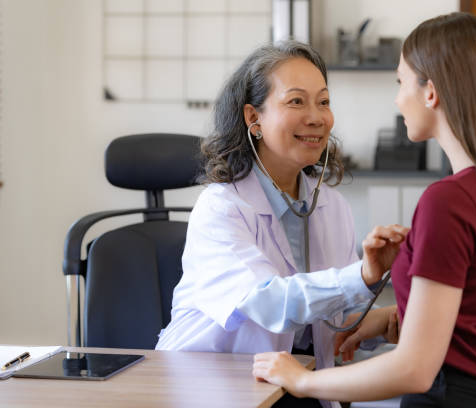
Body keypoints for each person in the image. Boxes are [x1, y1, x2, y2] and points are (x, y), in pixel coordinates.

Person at [252, 12, 476, 408]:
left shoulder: (449, 202)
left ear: (432, 92)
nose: (397, 99)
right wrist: (393, 315)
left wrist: (302, 380)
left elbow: (414, 369)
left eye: (401, 82)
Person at [155, 41, 408, 408]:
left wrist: (382, 320)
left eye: (323, 101)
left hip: (294, 385)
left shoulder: (332, 207)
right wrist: (363, 275)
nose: (317, 117)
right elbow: (270, 303)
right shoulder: (221, 207)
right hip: (211, 389)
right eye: (296, 101)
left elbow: (327, 320)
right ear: (253, 119)